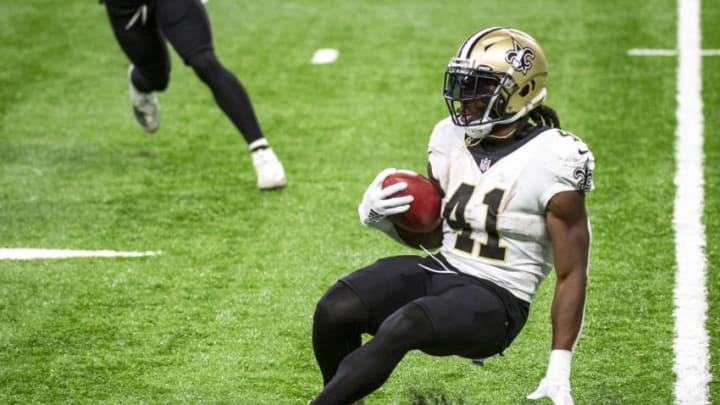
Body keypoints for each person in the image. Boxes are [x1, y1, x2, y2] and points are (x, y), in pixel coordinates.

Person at [309, 27, 594, 405]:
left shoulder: (555, 158)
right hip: (444, 268)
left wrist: (559, 368)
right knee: (335, 309)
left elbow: (572, 271)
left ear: (520, 91)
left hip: (498, 299)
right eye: (462, 84)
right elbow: (434, 236)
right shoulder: (447, 137)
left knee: (406, 323)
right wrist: (384, 221)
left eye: (479, 87)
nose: (465, 98)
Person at [101, 0, 286, 190]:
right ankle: (138, 82)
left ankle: (262, 153)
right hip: (125, 6)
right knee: (156, 78)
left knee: (203, 61)